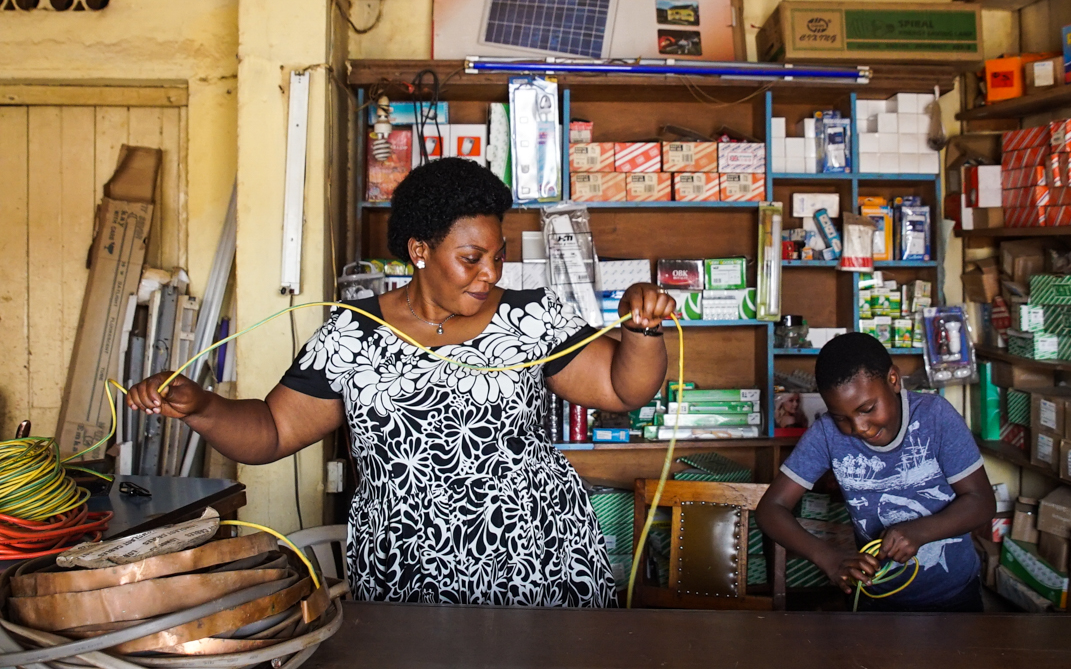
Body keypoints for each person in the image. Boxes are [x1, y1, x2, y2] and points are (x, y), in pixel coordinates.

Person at [127, 157, 676, 608]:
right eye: (471, 258)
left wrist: (642, 330)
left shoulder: (534, 317)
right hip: (407, 566)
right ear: (419, 251)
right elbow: (272, 431)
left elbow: (622, 389)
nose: (492, 273)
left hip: (538, 555)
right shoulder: (353, 333)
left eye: (499, 255)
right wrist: (201, 406)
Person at [756, 332, 995, 612]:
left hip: (953, 598)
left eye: (867, 409)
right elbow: (771, 509)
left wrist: (921, 531)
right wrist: (828, 558)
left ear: (893, 380)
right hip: (875, 599)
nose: (859, 427)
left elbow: (982, 502)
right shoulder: (826, 434)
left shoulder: (935, 417)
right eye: (842, 417)